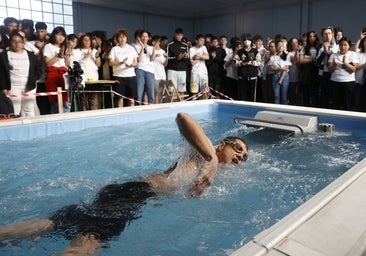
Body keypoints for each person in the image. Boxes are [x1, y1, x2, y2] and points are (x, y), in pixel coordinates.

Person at [0, 112, 248, 255]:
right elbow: (183, 117)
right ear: (222, 144)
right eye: (238, 148)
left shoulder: (211, 165)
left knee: (59, 222)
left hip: (126, 192)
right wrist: (212, 159)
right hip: (135, 195)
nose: (240, 156)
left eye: (244, 157)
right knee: (89, 240)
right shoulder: (203, 153)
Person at [0, 32, 42, 117]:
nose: (17, 44)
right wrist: (3, 87)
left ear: (23, 43)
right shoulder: (4, 55)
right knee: (14, 110)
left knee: (29, 109)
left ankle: (31, 128)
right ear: (10, 42)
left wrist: (33, 79)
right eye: (14, 41)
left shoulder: (31, 55)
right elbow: (1, 73)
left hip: (29, 86)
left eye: (19, 41)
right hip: (12, 87)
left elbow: (39, 69)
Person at [43, 26, 71, 114]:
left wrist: (67, 55)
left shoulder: (65, 47)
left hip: (64, 76)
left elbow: (67, 65)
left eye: (62, 35)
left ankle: (66, 123)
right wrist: (58, 56)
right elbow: (47, 64)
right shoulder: (48, 46)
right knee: (55, 103)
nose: (60, 37)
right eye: (58, 34)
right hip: (53, 76)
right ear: (53, 35)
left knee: (66, 103)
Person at [327, 36, 359, 110]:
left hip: (348, 83)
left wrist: (345, 63)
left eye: (345, 45)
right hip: (335, 82)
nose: (343, 47)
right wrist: (334, 65)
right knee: (335, 104)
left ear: (349, 46)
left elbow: (354, 69)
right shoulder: (333, 55)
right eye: (341, 44)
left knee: (348, 105)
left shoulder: (353, 54)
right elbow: (329, 70)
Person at [108, 29, 138, 107]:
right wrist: (120, 63)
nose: (122, 39)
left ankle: (132, 116)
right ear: (117, 39)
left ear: (127, 38)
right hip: (119, 77)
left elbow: (136, 61)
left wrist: (132, 65)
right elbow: (110, 63)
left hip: (131, 76)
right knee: (119, 99)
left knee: (131, 100)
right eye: (120, 37)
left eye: (124, 37)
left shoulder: (131, 48)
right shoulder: (114, 49)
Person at [71, 33, 102, 110]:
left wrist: (97, 55)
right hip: (81, 79)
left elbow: (98, 65)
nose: (87, 41)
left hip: (93, 78)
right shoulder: (76, 51)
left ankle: (94, 118)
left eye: (88, 40)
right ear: (81, 41)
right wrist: (84, 58)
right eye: (85, 40)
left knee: (94, 101)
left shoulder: (94, 51)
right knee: (83, 101)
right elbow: (73, 64)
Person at [133, 29, 156, 104]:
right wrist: (142, 48)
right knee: (139, 93)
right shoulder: (136, 47)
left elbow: (152, 59)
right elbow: (139, 59)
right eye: (143, 36)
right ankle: (138, 109)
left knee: (151, 94)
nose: (144, 38)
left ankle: (152, 109)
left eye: (146, 36)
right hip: (140, 70)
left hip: (150, 71)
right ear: (140, 37)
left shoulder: (151, 48)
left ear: (148, 38)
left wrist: (154, 49)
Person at [166, 28, 190, 94]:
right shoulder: (170, 45)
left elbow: (188, 60)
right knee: (172, 91)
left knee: (182, 91)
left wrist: (184, 57)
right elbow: (167, 59)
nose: (179, 36)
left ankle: (181, 104)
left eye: (181, 35)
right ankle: (173, 104)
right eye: (178, 35)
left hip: (182, 71)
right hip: (172, 70)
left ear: (183, 36)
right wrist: (177, 58)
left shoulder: (185, 46)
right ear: (175, 35)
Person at [268, 40, 291, 104]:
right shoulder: (272, 57)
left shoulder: (287, 56)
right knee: (276, 96)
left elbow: (286, 68)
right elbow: (271, 68)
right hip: (275, 76)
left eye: (282, 46)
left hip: (284, 76)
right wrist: (280, 68)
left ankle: (284, 111)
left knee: (284, 96)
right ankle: (276, 110)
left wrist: (281, 79)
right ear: (276, 47)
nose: (281, 47)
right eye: (279, 45)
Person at [151, 35, 168, 103]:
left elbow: (165, 64)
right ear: (153, 42)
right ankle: (155, 107)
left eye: (159, 41)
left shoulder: (162, 51)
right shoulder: (150, 50)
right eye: (158, 41)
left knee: (161, 93)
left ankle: (160, 106)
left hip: (162, 75)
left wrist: (167, 58)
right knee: (156, 93)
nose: (159, 43)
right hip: (154, 75)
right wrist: (155, 55)